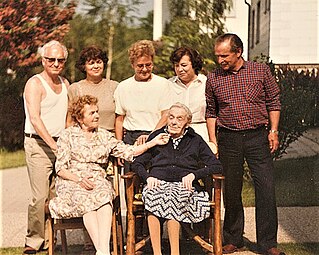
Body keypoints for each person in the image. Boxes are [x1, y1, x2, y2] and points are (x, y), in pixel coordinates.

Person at [49, 95, 169, 255]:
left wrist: (153, 142)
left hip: (97, 179)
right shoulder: (67, 135)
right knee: (86, 201)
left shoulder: (104, 136)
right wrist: (79, 180)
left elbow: (129, 151)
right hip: (72, 181)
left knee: (105, 198)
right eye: (91, 113)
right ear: (79, 117)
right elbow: (60, 169)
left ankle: (102, 250)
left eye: (97, 112)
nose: (97, 115)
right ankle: (104, 250)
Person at [205, 33, 284, 255]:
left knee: (266, 188)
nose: (220, 60)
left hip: (258, 136)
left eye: (224, 55)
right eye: (218, 56)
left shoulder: (260, 71)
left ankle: (268, 243)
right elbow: (211, 111)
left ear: (238, 52)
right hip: (228, 138)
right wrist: (214, 141)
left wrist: (273, 131)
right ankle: (233, 238)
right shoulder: (214, 78)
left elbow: (274, 101)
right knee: (231, 189)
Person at [132, 103, 223, 255]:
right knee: (154, 195)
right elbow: (137, 163)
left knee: (174, 197)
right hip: (158, 182)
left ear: (187, 122)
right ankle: (157, 253)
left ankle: (175, 252)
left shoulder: (195, 140)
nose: (174, 122)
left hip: (183, 185)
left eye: (179, 118)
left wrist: (195, 175)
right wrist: (147, 177)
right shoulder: (157, 137)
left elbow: (216, 166)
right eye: (171, 117)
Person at [23, 40, 69, 254]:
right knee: (40, 196)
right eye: (51, 59)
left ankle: (51, 241)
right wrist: (53, 145)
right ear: (43, 60)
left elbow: (68, 117)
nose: (56, 63)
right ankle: (33, 241)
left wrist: (66, 143)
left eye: (60, 60)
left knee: (55, 196)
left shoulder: (66, 83)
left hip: (59, 144)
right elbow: (35, 118)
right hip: (39, 145)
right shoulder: (35, 83)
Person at [114, 39, 173, 172]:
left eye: (148, 65)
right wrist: (119, 148)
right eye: (140, 66)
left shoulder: (163, 84)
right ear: (132, 64)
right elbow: (119, 119)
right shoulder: (123, 87)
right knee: (130, 178)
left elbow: (166, 114)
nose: (145, 69)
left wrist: (151, 137)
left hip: (157, 136)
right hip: (131, 138)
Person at [67, 46, 118, 132]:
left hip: (110, 138)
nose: (96, 66)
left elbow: (120, 119)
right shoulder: (75, 88)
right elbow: (70, 122)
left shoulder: (114, 87)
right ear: (84, 66)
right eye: (91, 63)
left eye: (99, 62)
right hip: (84, 139)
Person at [169, 46, 210, 143]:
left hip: (201, 134)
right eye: (176, 65)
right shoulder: (169, 84)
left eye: (184, 65)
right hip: (175, 135)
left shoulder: (206, 83)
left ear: (194, 65)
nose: (180, 69)